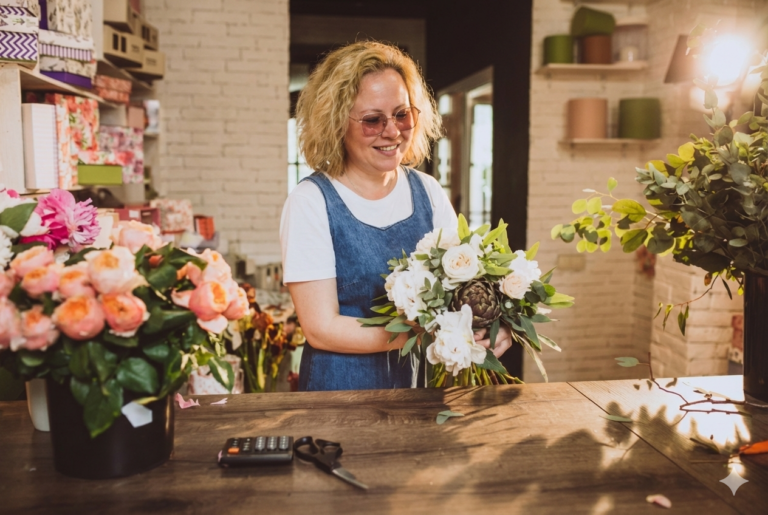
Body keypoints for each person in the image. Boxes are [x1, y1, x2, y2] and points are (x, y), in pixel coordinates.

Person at [280, 41, 512, 391]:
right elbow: (321, 328)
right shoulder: (311, 202)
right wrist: (427, 331)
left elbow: (465, 288)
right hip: (339, 395)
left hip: (421, 390)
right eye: (373, 120)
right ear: (335, 123)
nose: (392, 131)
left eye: (402, 114)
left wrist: (491, 325)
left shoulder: (428, 191)